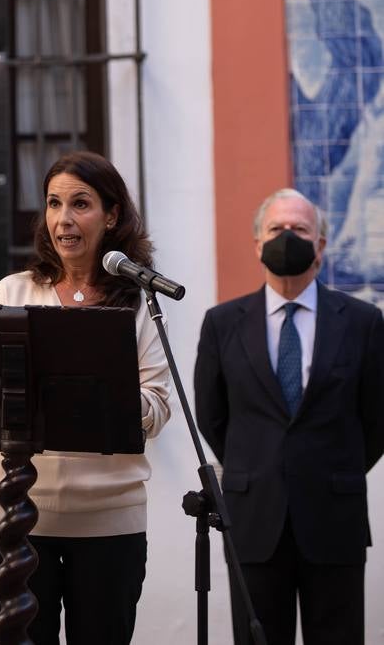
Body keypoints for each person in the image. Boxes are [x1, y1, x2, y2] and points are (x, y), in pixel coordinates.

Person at [0, 150, 171, 644]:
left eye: (80, 204)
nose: (64, 219)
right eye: (54, 203)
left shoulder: (138, 301)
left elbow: (158, 404)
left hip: (109, 522)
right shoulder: (13, 293)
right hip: (15, 516)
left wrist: (103, 389)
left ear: (111, 215)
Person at [193, 188, 384, 645]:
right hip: (253, 520)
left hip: (334, 517)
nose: (287, 237)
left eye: (300, 229)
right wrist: (258, 467)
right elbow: (212, 415)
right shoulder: (222, 323)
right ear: (258, 244)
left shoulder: (363, 322)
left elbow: (376, 420)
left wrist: (329, 468)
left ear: (320, 245)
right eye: (276, 229)